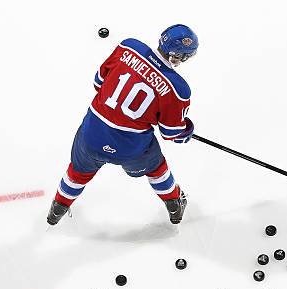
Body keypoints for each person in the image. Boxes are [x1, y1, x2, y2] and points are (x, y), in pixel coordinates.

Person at [47, 24, 198, 226]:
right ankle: (174, 204)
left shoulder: (128, 47)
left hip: (92, 134)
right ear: (177, 56)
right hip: (130, 149)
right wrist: (186, 130)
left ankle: (56, 211)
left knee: (78, 171)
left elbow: (98, 82)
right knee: (156, 168)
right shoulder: (177, 88)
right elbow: (171, 133)